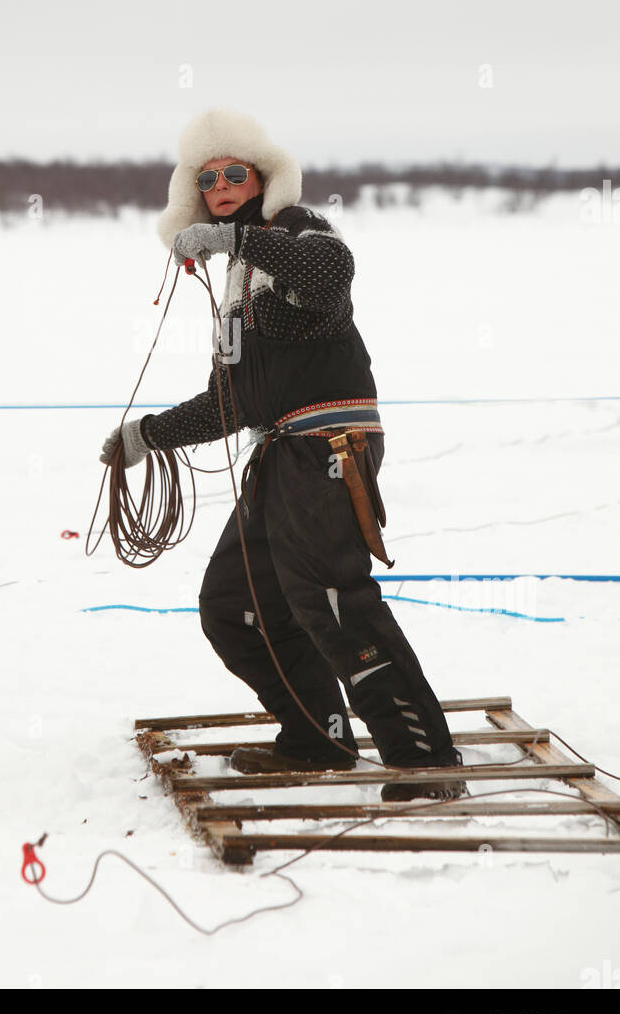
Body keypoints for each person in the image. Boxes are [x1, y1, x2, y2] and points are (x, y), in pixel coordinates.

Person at [100, 108, 466, 801]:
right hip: (279, 454)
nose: (222, 185)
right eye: (208, 180)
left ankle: (425, 761)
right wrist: (145, 437)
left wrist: (238, 237)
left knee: (331, 601)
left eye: (235, 173)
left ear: (262, 178)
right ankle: (317, 738)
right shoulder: (235, 285)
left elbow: (329, 280)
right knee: (234, 603)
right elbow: (230, 404)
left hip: (328, 446)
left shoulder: (300, 231)